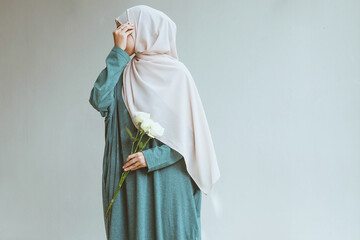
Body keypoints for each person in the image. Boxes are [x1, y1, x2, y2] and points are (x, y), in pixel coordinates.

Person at [89, 5, 220, 240]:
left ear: (144, 31)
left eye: (124, 29)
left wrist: (150, 158)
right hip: (132, 185)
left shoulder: (178, 76)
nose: (118, 34)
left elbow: (191, 140)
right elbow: (99, 100)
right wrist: (117, 54)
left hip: (168, 182)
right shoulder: (123, 74)